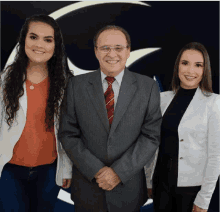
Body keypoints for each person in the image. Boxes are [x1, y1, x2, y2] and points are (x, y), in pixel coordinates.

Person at [58, 25, 162, 212]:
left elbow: (151, 136)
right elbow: (68, 134)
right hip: (88, 188)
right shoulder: (75, 86)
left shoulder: (148, 87)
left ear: (128, 51)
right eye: (105, 48)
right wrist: (97, 171)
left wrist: (118, 172)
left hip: (128, 189)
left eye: (118, 48)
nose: (111, 54)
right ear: (96, 51)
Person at [0, 14, 72, 212]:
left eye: (48, 39)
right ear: (23, 40)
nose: (39, 44)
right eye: (33, 37)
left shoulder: (67, 84)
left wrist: (66, 168)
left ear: (55, 45)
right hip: (9, 171)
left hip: (49, 172)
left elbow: (70, 132)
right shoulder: (5, 80)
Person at [145, 42, 220, 212]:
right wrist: (149, 180)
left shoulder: (214, 103)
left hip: (191, 191)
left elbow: (216, 156)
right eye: (185, 63)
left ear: (204, 69)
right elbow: (153, 144)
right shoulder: (161, 99)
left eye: (198, 65)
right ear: (177, 66)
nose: (190, 71)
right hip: (160, 186)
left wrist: (204, 199)